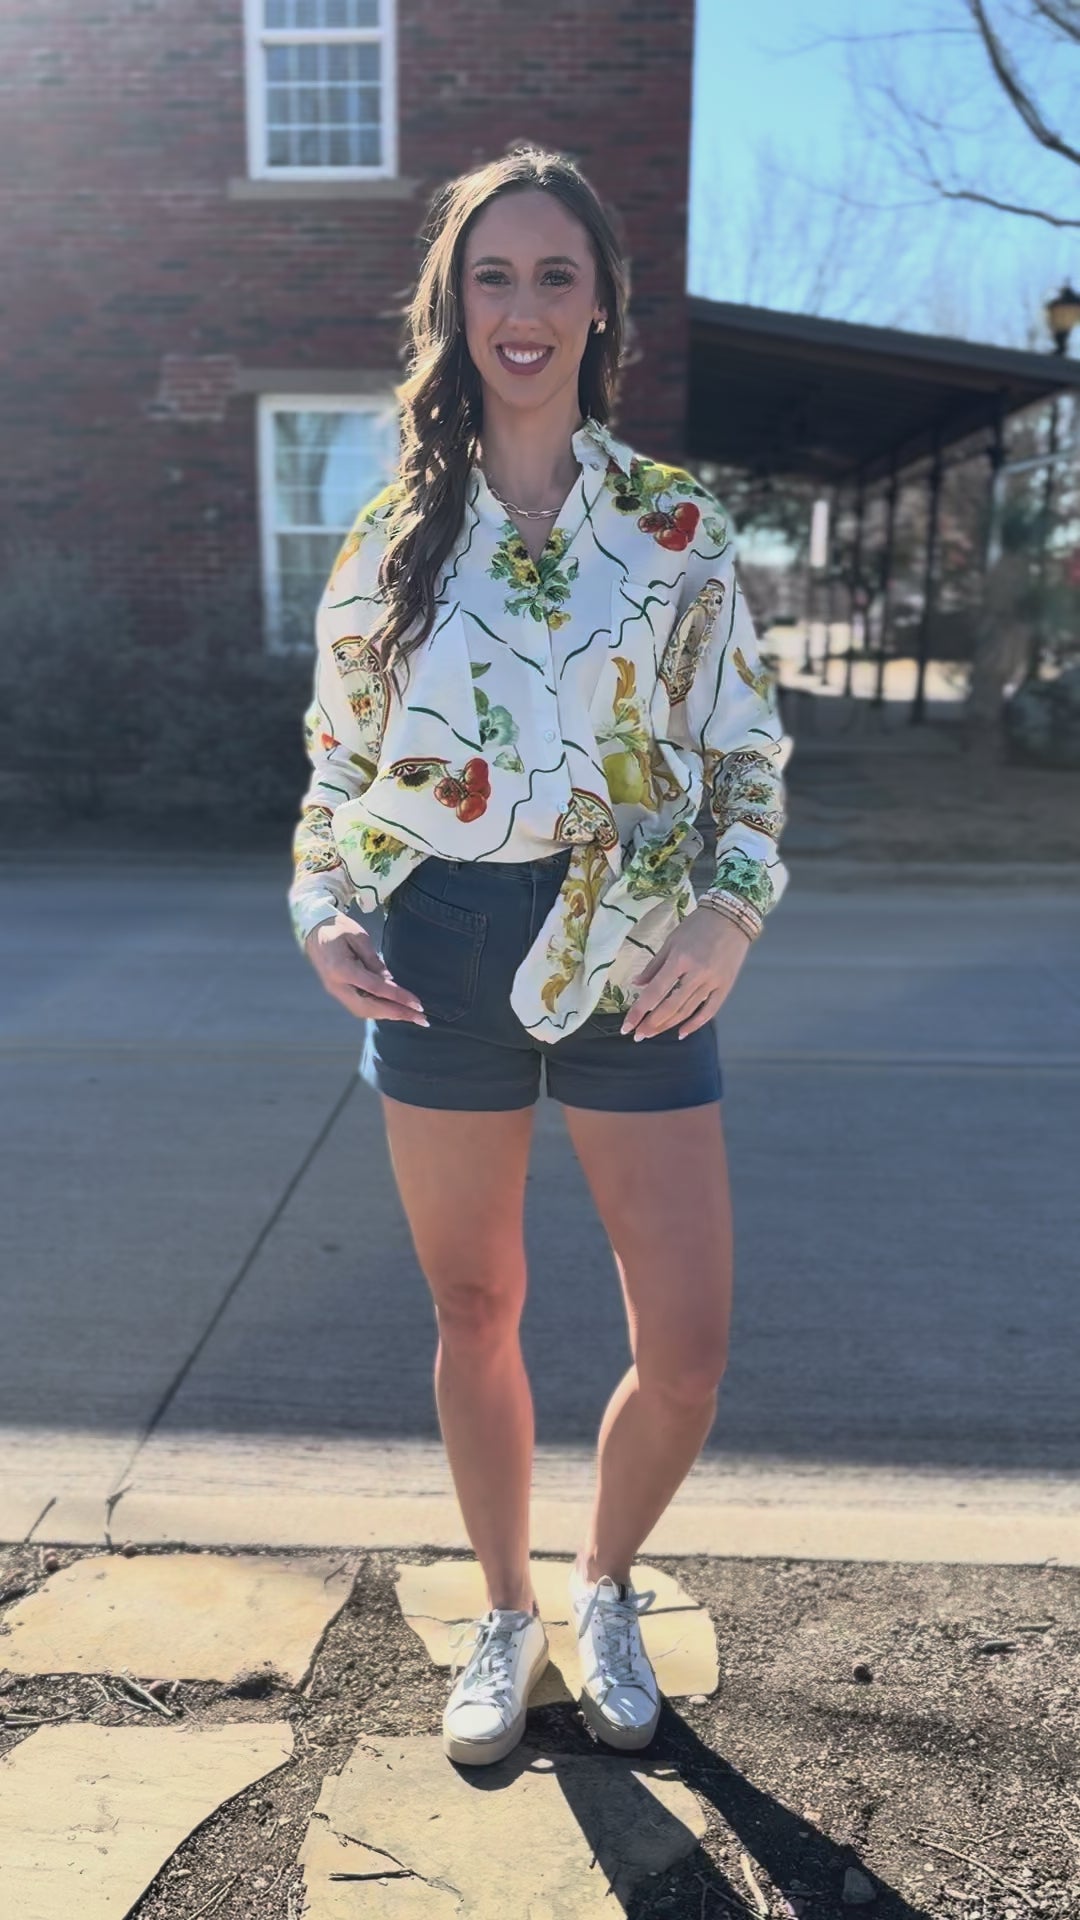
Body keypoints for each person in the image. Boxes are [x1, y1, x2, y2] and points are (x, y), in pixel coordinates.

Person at [288, 144, 791, 1770]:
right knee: (475, 1298)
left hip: (640, 949)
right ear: (455, 303)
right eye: (491, 276)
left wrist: (729, 908)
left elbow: (746, 751)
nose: (521, 308)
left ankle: (606, 1581)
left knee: (692, 1345)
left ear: (598, 308)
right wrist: (321, 909)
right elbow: (334, 767)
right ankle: (506, 1610)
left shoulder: (676, 528)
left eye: (552, 276)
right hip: (436, 937)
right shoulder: (390, 536)